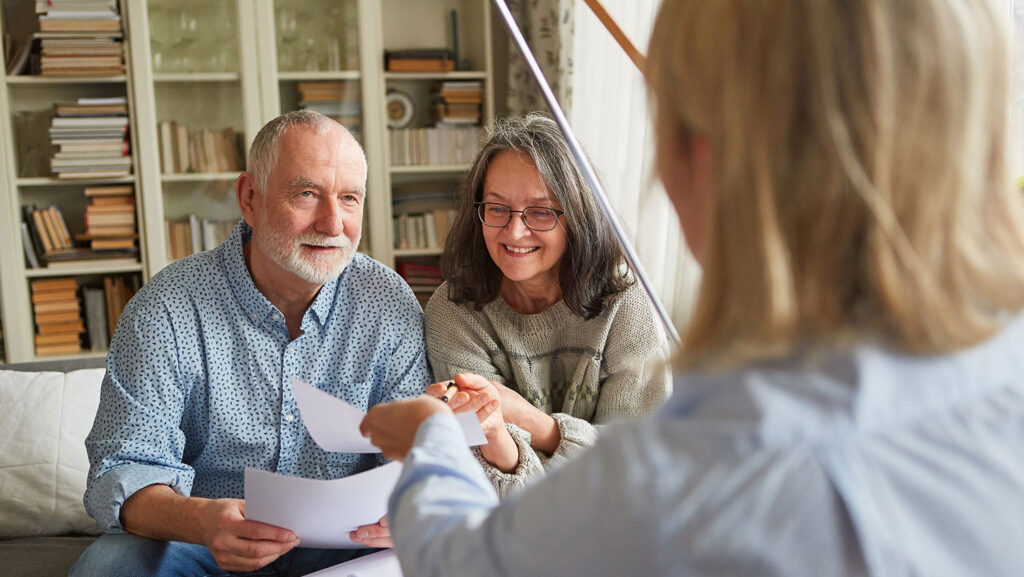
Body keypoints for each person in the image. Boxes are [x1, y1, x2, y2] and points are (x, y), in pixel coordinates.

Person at [358, 0, 1024, 575]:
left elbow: (462, 559)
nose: (515, 230)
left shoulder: (703, 465)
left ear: (705, 157)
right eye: (498, 209)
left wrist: (432, 441)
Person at [71, 110, 431, 577]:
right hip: (204, 541)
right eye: (307, 194)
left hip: (347, 543)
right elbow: (122, 468)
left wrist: (409, 504)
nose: (332, 223)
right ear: (250, 198)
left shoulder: (387, 300)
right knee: (109, 567)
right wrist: (201, 521)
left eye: (349, 198)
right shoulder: (166, 307)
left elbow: (416, 451)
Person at [422, 113, 672, 496]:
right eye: (496, 208)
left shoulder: (625, 302)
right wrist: (497, 434)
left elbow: (640, 465)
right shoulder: (453, 310)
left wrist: (537, 425)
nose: (514, 231)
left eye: (540, 212)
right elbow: (490, 484)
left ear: (577, 217)